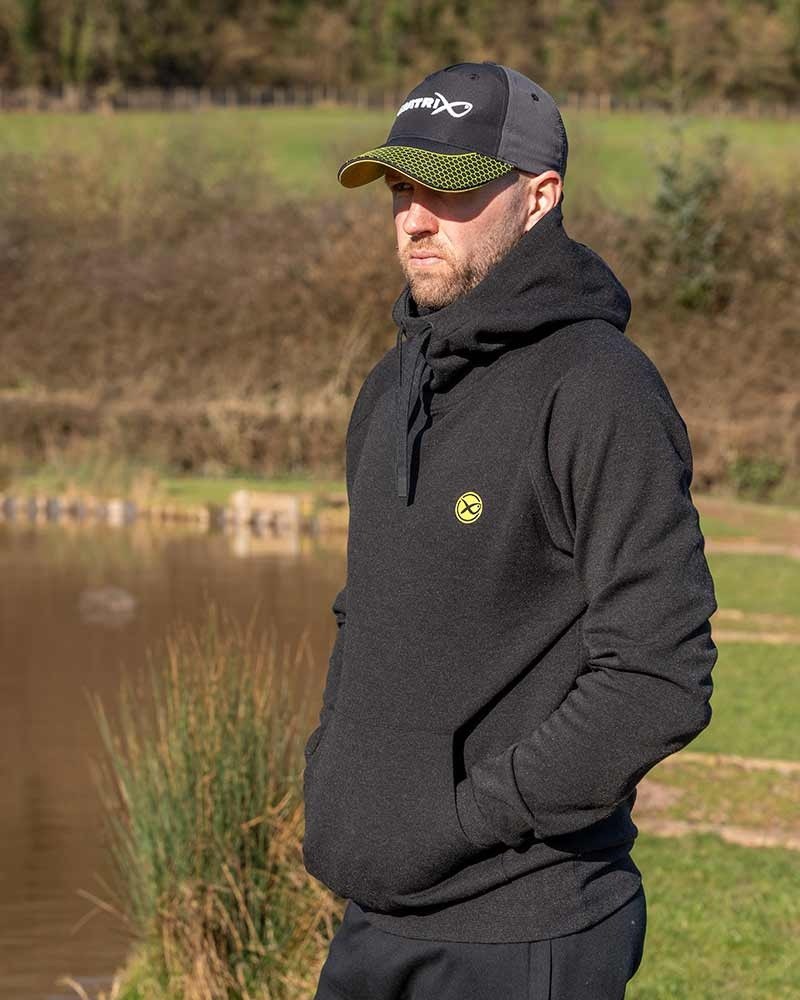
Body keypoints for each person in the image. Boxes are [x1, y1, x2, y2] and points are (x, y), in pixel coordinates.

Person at [302, 61, 718, 999]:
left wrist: (464, 818)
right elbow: (365, 612)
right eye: (400, 189)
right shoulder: (388, 391)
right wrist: (333, 774)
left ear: (539, 197)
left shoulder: (599, 389)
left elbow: (660, 674)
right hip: (375, 918)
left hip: (524, 928)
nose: (414, 219)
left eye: (449, 189)